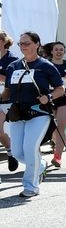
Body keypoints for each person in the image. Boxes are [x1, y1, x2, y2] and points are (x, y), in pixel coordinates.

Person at [1, 32, 65, 198]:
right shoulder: (13, 66)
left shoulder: (46, 66)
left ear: (37, 44)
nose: (23, 47)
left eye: (27, 43)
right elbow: (7, 90)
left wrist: (48, 97)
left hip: (39, 112)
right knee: (17, 152)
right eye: (21, 44)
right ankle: (40, 164)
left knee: (30, 148)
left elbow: (60, 89)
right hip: (17, 114)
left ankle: (31, 186)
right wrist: (2, 97)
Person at [42, 41, 66, 169]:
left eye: (61, 49)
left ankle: (57, 156)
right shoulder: (45, 64)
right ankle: (55, 142)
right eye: (56, 49)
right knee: (52, 127)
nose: (59, 52)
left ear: (64, 51)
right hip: (50, 97)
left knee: (61, 126)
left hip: (65, 97)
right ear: (52, 51)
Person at [0, 30, 16, 171]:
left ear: (4, 41)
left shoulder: (12, 60)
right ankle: (11, 152)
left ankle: (13, 152)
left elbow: (13, 81)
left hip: (6, 100)